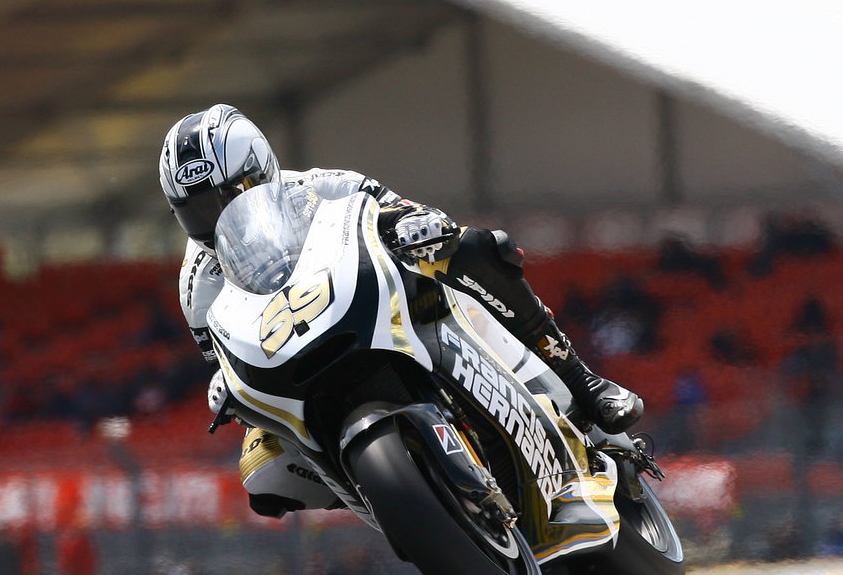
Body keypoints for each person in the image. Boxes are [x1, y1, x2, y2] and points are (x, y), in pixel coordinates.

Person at [159, 105, 644, 473]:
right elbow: (225, 358)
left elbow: (411, 214)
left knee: (476, 248)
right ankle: (379, 494)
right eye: (200, 210)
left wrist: (418, 225)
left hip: (378, 305)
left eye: (231, 194)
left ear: (261, 168)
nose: (220, 216)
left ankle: (585, 383)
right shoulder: (197, 284)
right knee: (260, 467)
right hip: (298, 361)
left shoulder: (323, 185)